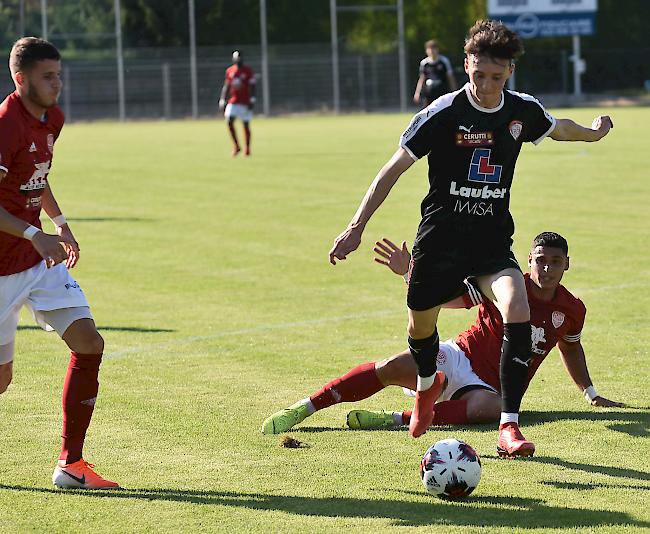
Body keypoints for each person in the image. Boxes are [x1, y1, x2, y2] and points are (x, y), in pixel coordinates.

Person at [328, 20, 613, 457]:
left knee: (517, 304)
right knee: (420, 327)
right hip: (439, 240)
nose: (485, 85)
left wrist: (592, 134)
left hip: (490, 244)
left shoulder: (522, 110)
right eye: (478, 74)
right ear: (466, 66)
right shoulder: (442, 112)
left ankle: (509, 427)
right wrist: (356, 226)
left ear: (509, 72)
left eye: (495, 77)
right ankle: (426, 389)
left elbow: (559, 127)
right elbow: (393, 169)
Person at [263, 232, 623, 451]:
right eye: (540, 261)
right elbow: (448, 299)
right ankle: (306, 407)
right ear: (528, 261)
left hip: (494, 389)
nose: (546, 269)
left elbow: (570, 346)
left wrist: (590, 394)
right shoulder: (507, 285)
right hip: (457, 358)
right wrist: (410, 273)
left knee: (491, 408)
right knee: (390, 367)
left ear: (567, 265)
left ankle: (392, 419)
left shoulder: (572, 309)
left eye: (555, 262)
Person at [0, 37, 118, 489]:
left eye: (59, 74)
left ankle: (71, 464)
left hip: (38, 260)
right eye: (47, 77)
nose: (58, 84)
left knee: (89, 343)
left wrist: (60, 224)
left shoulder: (54, 119)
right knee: (1, 380)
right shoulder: (5, 126)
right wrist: (35, 234)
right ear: (20, 79)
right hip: (2, 269)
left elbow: (37, 177)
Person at [219, 50, 256, 156]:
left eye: (239, 57)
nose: (238, 59)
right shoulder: (230, 71)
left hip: (245, 102)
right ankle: (236, 146)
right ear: (233, 59)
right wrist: (222, 99)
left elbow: (253, 86)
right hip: (234, 101)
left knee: (245, 124)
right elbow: (226, 86)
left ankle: (247, 148)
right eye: (236, 57)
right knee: (229, 120)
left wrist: (252, 99)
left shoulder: (248, 71)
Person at [413, 40, 457, 108]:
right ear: (426, 51)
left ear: (437, 50)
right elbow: (422, 79)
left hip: (442, 90)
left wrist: (454, 92)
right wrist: (417, 93)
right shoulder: (424, 63)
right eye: (429, 49)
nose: (432, 51)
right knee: (428, 110)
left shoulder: (444, 61)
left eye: (433, 49)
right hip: (429, 92)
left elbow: (450, 77)